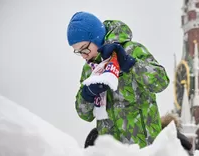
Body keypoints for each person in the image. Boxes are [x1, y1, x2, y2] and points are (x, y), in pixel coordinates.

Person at [67, 11, 169, 148]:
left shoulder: (132, 50)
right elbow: (85, 115)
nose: (83, 56)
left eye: (84, 49)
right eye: (78, 51)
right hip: (112, 154)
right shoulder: (89, 70)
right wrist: (87, 94)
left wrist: (131, 64)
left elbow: (161, 82)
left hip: (144, 147)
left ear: (96, 38)